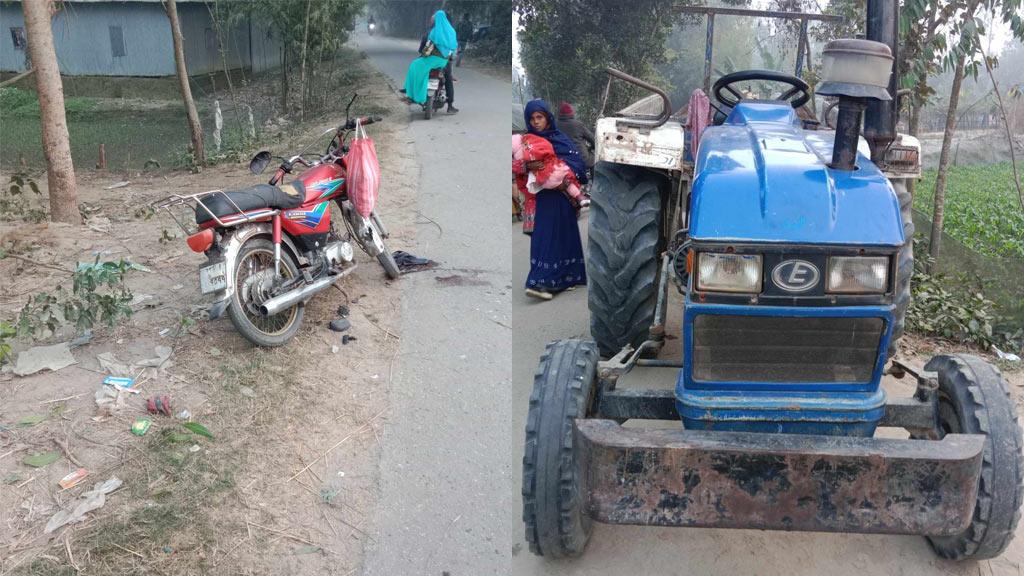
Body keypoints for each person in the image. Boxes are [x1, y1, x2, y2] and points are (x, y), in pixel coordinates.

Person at [513, 100, 588, 301]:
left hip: (561, 196)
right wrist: (529, 167)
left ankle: (558, 279)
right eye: (532, 119)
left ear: (548, 118)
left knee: (560, 236)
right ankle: (541, 280)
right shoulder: (526, 141)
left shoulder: (559, 139)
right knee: (543, 237)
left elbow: (577, 164)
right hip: (539, 197)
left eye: (540, 117)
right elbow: (515, 165)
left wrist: (558, 173)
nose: (536, 122)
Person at [402, 11, 457, 111]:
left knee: (415, 65)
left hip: (433, 59)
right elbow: (453, 49)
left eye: (434, 18)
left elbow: (427, 47)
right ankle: (450, 105)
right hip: (445, 61)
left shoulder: (434, 31)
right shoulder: (451, 31)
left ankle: (411, 94)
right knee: (448, 79)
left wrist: (424, 55)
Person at [556, 101, 595, 170]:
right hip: (581, 161)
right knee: (594, 159)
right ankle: (593, 178)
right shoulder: (578, 124)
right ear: (571, 113)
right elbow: (593, 140)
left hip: (561, 162)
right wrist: (592, 147)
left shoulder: (554, 125)